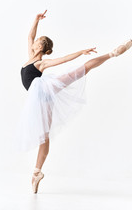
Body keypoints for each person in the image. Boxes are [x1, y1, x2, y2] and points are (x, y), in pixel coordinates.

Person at [16, 10, 132, 194]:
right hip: (41, 98)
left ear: (40, 48)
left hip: (43, 90)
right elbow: (30, 35)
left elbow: (62, 59)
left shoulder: (40, 63)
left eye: (38, 41)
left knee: (79, 70)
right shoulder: (30, 56)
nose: (34, 41)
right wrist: (36, 20)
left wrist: (81, 52)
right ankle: (37, 173)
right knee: (44, 136)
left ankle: (112, 53)